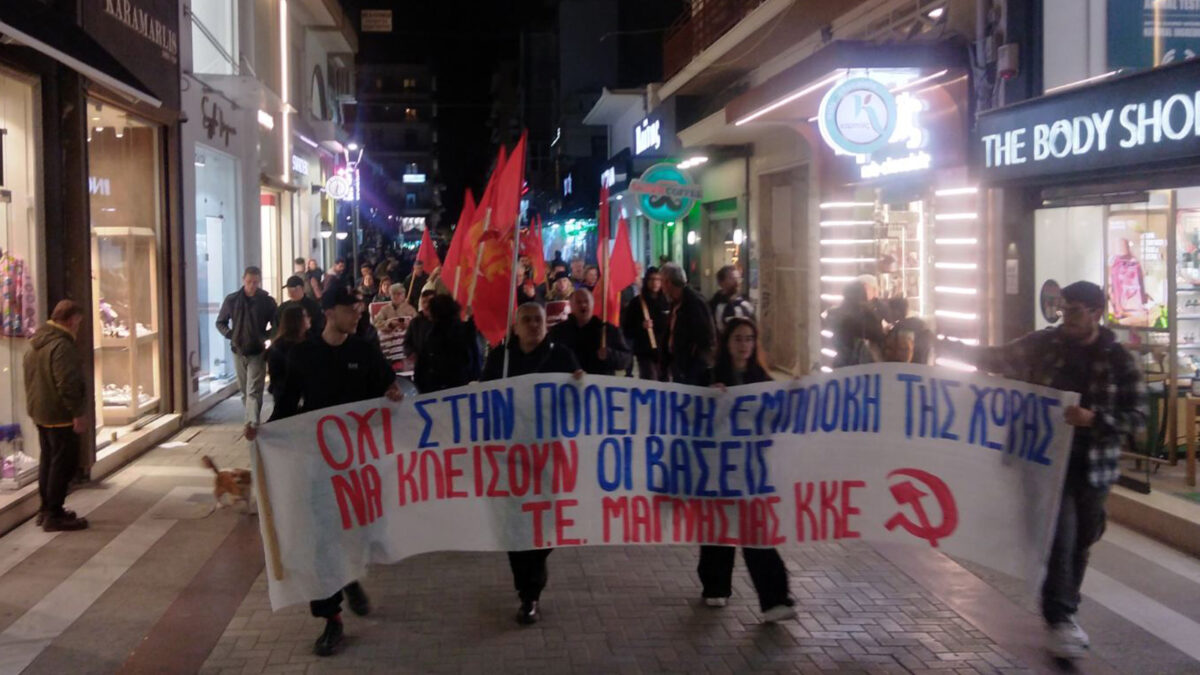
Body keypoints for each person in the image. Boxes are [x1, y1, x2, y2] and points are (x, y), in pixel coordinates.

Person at [940, 281, 1146, 660]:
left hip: (1094, 466)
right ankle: (1060, 616)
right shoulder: (1043, 345)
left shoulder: (1119, 360)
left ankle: (1065, 608)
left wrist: (1094, 419)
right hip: (1045, 463)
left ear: (1096, 313)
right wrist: (948, 347)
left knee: (1083, 538)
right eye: (1062, 308)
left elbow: (1138, 416)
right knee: (1060, 537)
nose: (1066, 317)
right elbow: (997, 358)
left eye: (1075, 311)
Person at [256, 285, 403, 657]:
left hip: (359, 466)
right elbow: (287, 404)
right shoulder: (304, 355)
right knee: (321, 540)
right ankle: (331, 617)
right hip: (319, 464)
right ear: (330, 312)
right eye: (351, 309)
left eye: (359, 309)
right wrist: (265, 433)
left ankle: (349, 577)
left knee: (356, 533)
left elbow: (388, 388)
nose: (358, 315)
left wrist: (393, 394)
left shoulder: (364, 351)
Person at [482, 303, 582, 625]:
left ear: (546, 324)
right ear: (515, 326)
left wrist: (580, 384)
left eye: (538, 320)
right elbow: (482, 399)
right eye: (526, 320)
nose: (533, 325)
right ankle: (528, 592)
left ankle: (533, 580)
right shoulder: (500, 358)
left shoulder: (561, 357)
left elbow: (578, 403)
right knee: (515, 526)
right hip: (510, 457)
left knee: (543, 524)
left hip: (548, 457)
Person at [701, 318, 795, 622]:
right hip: (719, 468)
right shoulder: (710, 376)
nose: (744, 345)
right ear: (727, 343)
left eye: (749, 339)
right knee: (718, 529)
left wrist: (795, 394)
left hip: (752, 471)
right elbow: (690, 416)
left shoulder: (762, 379)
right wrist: (709, 399)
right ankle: (715, 586)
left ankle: (775, 599)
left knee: (756, 531)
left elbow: (777, 418)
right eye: (738, 339)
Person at [24, 300, 89, 532]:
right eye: (78, 323)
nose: (78, 328)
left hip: (41, 412)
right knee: (63, 463)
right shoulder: (62, 345)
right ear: (70, 320)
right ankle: (54, 514)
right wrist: (77, 412)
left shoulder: (37, 342)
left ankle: (46, 509)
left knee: (49, 460)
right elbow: (67, 383)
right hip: (59, 413)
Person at [216, 267, 278, 427]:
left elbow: (277, 323)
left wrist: (265, 336)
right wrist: (231, 334)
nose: (252, 285)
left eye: (255, 282)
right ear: (243, 280)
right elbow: (220, 322)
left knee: (254, 389)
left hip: (257, 350)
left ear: (259, 282)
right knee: (244, 390)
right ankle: (251, 418)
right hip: (238, 350)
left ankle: (252, 423)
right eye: (249, 282)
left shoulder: (266, 301)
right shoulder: (232, 300)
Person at [549, 289, 632, 375]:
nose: (583, 305)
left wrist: (610, 355)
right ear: (571, 305)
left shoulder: (607, 330)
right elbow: (549, 357)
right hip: (568, 380)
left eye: (586, 301)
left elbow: (626, 359)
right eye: (578, 302)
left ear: (593, 304)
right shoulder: (558, 331)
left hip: (599, 381)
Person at [413, 294, 482, 393]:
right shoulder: (463, 329)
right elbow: (473, 354)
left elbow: (424, 362)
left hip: (438, 386)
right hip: (461, 383)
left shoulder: (434, 334)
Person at [661, 263, 715, 385]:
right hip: (679, 366)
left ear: (668, 282)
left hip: (691, 371)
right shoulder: (675, 302)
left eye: (662, 282)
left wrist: (692, 367)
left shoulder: (694, 303)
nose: (661, 288)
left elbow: (706, 339)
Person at [622, 266, 670, 381]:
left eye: (658, 279)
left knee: (665, 383)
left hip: (665, 352)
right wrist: (641, 326)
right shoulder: (637, 303)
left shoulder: (667, 301)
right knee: (650, 381)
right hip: (645, 352)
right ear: (646, 280)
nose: (655, 283)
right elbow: (627, 330)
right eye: (652, 279)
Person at [831, 281, 885, 368]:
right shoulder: (866, 314)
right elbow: (878, 335)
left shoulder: (836, 314)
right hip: (864, 364)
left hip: (842, 363)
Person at [267, 304, 308, 401]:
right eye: (305, 316)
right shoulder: (279, 347)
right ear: (296, 321)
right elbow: (276, 377)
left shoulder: (310, 340)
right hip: (287, 396)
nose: (309, 318)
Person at [709, 265, 755, 330]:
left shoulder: (746, 304)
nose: (736, 282)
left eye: (738, 278)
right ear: (721, 283)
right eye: (732, 278)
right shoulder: (713, 306)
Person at [400, 288, 435, 362]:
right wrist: (410, 353)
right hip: (421, 364)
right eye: (424, 302)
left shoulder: (444, 322)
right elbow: (406, 343)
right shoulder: (415, 322)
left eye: (430, 302)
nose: (427, 305)